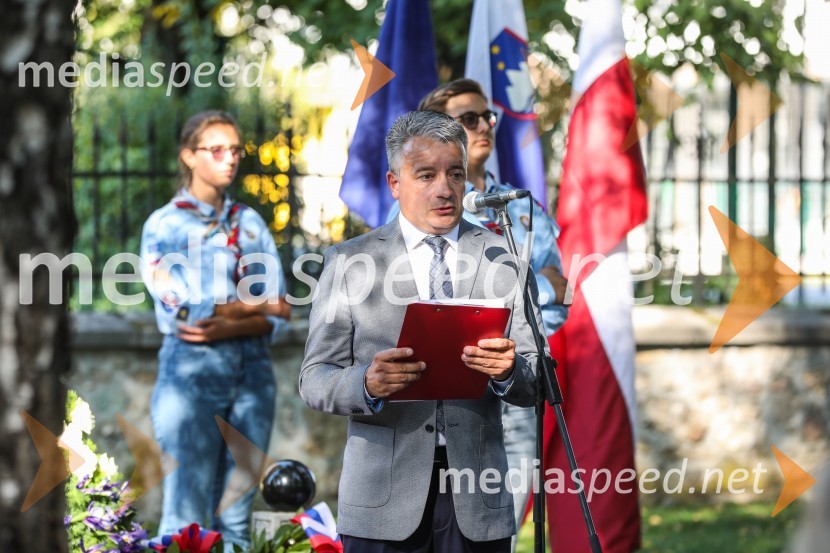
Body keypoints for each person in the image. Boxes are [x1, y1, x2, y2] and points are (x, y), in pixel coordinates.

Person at [300, 110, 546, 552]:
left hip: (476, 499)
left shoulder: (504, 258)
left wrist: (510, 372)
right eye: (426, 174)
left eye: (455, 173)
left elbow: (538, 377)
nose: (444, 189)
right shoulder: (350, 262)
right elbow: (314, 378)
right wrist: (367, 383)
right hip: (381, 501)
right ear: (395, 183)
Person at [387, 79, 568, 532]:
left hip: (515, 384)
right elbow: (408, 298)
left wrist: (505, 298)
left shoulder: (520, 209)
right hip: (451, 392)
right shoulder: (419, 204)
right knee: (442, 526)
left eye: (487, 116)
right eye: (468, 119)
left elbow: (561, 288)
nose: (484, 125)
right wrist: (517, 287)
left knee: (499, 528)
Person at [140, 110, 290, 549]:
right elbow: (187, 313)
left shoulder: (250, 223)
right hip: (192, 374)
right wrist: (256, 308)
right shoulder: (165, 226)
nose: (230, 159)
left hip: (255, 373)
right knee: (186, 515)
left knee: (238, 515)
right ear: (189, 156)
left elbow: (282, 310)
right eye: (216, 149)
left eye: (235, 150)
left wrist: (237, 316)